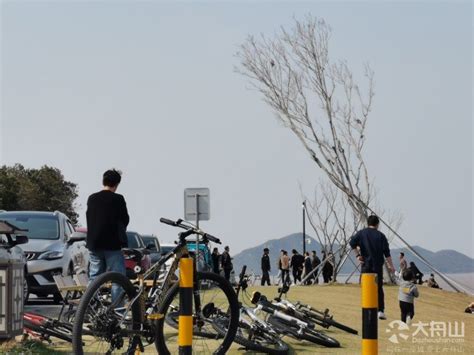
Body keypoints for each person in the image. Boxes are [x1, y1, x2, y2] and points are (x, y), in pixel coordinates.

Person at [86, 169, 129, 301]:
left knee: (94, 278)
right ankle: (117, 310)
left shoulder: (92, 198)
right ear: (116, 184)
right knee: (118, 278)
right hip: (113, 245)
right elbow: (125, 219)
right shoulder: (118, 199)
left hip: (94, 244)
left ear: (103, 181)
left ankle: (90, 307)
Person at [350, 214, 395, 320]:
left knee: (366, 287)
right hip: (377, 266)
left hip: (365, 265)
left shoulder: (361, 233)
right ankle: (380, 311)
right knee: (378, 288)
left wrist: (358, 255)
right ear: (377, 224)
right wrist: (391, 266)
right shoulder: (381, 236)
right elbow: (387, 254)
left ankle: (367, 309)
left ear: (368, 223)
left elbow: (352, 243)